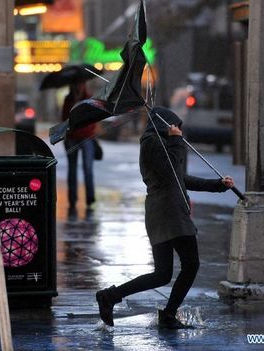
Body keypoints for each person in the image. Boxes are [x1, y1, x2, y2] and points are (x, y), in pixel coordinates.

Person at [95, 106, 234, 329]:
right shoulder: (152, 142)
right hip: (170, 214)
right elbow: (171, 173)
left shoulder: (160, 142)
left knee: (162, 274)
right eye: (176, 125)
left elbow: (180, 178)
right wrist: (177, 142)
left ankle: (110, 296)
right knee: (191, 264)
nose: (178, 130)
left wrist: (217, 186)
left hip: (164, 213)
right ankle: (168, 314)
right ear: (165, 123)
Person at [61, 80, 96, 219]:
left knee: (88, 168)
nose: (77, 86)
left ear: (84, 84)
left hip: (87, 137)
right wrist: (73, 103)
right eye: (75, 84)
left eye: (80, 84)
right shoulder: (68, 100)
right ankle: (72, 199)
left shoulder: (89, 98)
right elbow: (64, 118)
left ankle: (90, 198)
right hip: (72, 138)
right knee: (72, 169)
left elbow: (94, 118)